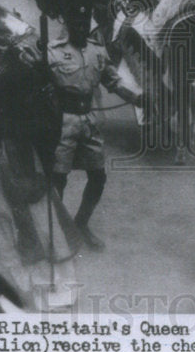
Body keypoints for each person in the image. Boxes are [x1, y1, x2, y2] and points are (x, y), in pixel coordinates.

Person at [47, 18, 143, 249]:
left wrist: (137, 99)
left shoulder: (97, 51)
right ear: (68, 25)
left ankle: (81, 223)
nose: (80, 27)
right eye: (76, 23)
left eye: (83, 23)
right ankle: (57, 232)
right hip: (63, 122)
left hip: (88, 120)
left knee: (98, 177)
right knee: (58, 179)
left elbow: (113, 81)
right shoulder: (52, 52)